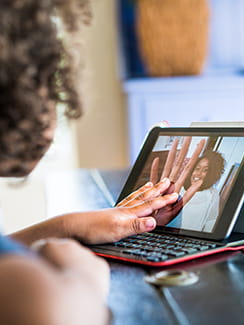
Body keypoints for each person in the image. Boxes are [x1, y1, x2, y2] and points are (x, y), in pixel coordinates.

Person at [0, 1, 178, 324]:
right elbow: (53, 312)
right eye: (47, 81)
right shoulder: (37, 296)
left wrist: (70, 226)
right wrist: (83, 276)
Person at [167, 151, 225, 231]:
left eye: (205, 170)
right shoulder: (179, 189)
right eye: (197, 168)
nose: (198, 173)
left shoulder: (212, 194)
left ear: (211, 174)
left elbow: (211, 223)